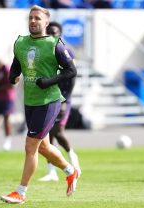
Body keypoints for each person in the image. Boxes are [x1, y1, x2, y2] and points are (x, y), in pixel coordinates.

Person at [0, 5, 80, 204]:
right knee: (43, 147)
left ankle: (21, 192)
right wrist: (12, 75)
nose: (33, 21)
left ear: (46, 22)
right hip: (30, 101)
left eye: (37, 18)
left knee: (30, 146)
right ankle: (71, 171)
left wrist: (49, 82)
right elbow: (17, 63)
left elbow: (71, 71)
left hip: (49, 101)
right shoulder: (20, 43)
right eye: (31, 18)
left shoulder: (55, 44)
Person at [38, 21, 81, 182]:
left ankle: (73, 158)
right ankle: (51, 172)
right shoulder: (43, 52)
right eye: (48, 32)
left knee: (58, 131)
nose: (51, 35)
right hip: (49, 96)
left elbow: (72, 76)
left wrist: (66, 99)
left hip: (63, 97)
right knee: (47, 135)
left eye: (54, 33)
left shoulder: (66, 51)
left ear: (60, 34)